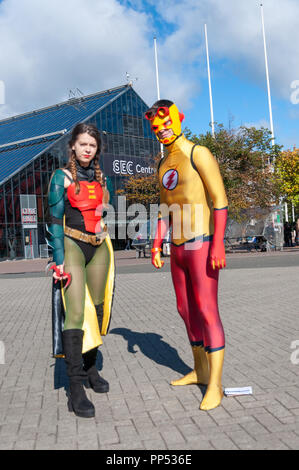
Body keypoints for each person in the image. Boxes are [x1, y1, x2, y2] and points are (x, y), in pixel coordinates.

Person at [146, 100, 228, 411]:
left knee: (207, 310)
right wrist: (157, 243)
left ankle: (216, 385)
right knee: (184, 309)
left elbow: (219, 199)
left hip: (201, 242)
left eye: (166, 123)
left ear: (179, 119)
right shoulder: (163, 164)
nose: (162, 130)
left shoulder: (199, 153)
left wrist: (218, 243)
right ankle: (200, 370)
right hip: (177, 247)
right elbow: (164, 207)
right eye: (155, 127)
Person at [47, 123, 114, 418]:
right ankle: (75, 386)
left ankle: (90, 369)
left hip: (99, 247)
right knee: (75, 312)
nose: (88, 149)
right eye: (83, 144)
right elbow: (53, 221)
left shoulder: (103, 179)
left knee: (97, 309)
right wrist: (58, 259)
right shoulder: (60, 177)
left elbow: (104, 212)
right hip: (73, 245)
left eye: (92, 145)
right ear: (72, 146)